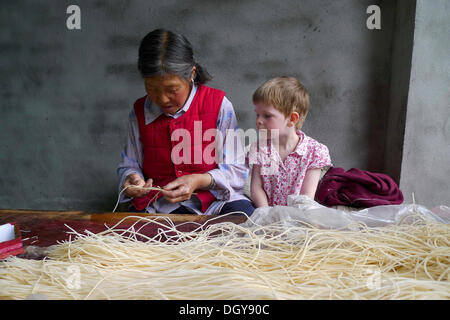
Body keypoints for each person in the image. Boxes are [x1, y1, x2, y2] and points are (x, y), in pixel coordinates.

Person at [117, 29, 254, 215]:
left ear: (191, 74)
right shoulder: (140, 112)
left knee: (244, 218)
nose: (163, 99)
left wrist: (200, 180)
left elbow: (237, 169)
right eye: (152, 89)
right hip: (161, 207)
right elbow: (130, 164)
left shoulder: (219, 105)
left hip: (214, 204)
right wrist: (132, 178)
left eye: (172, 90)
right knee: (134, 231)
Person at [248, 77, 332, 207]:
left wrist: (290, 221)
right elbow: (256, 188)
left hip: (299, 215)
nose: (259, 121)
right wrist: (266, 213)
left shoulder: (314, 151)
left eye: (267, 116)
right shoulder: (260, 149)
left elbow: (306, 197)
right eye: (257, 114)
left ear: (292, 119)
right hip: (268, 214)